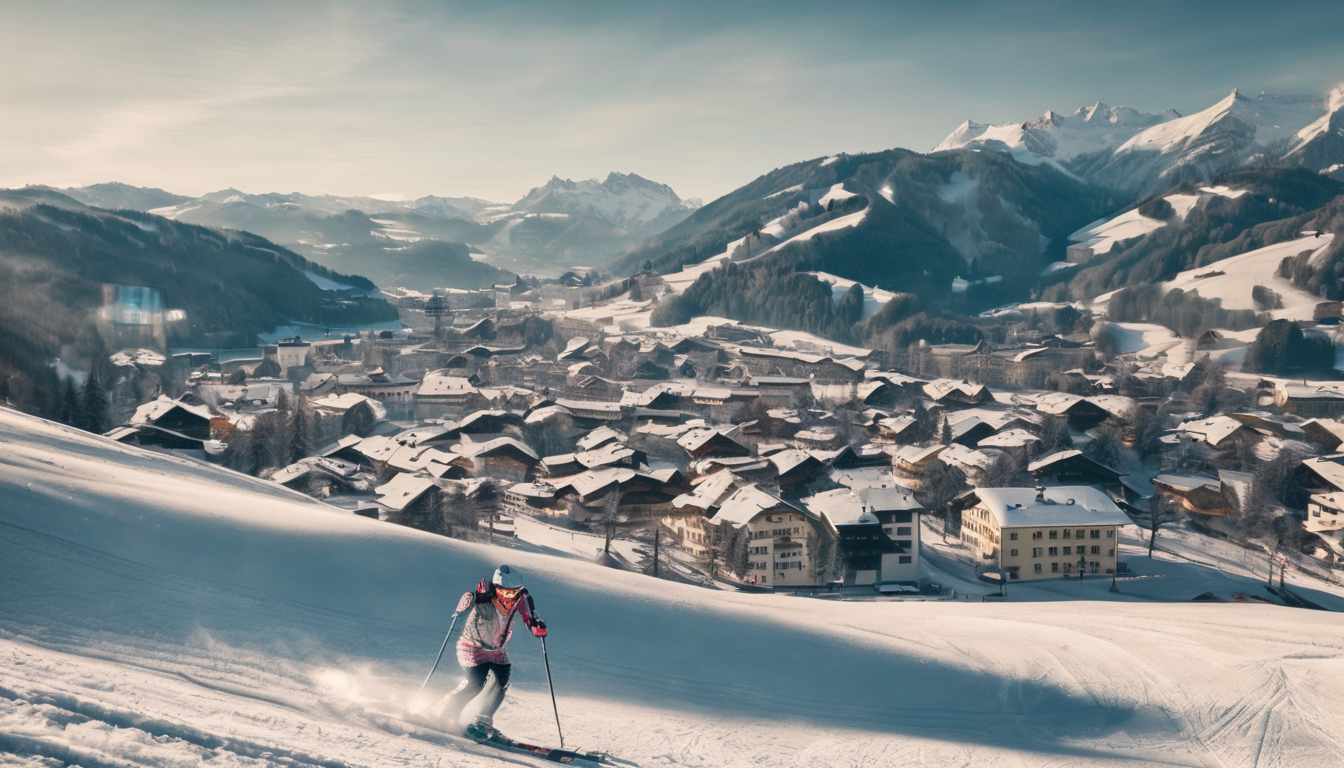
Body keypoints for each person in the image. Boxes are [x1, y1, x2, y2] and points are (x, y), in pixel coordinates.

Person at [439, 565, 547, 739]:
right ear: (497, 588)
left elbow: (530, 618)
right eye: (506, 592)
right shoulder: (483, 595)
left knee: (502, 681)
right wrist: (464, 604)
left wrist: (537, 628)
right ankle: (447, 712)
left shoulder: (520, 598)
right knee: (476, 681)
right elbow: (467, 603)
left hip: (497, 651)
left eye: (513, 592)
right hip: (472, 646)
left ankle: (483, 722)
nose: (510, 596)